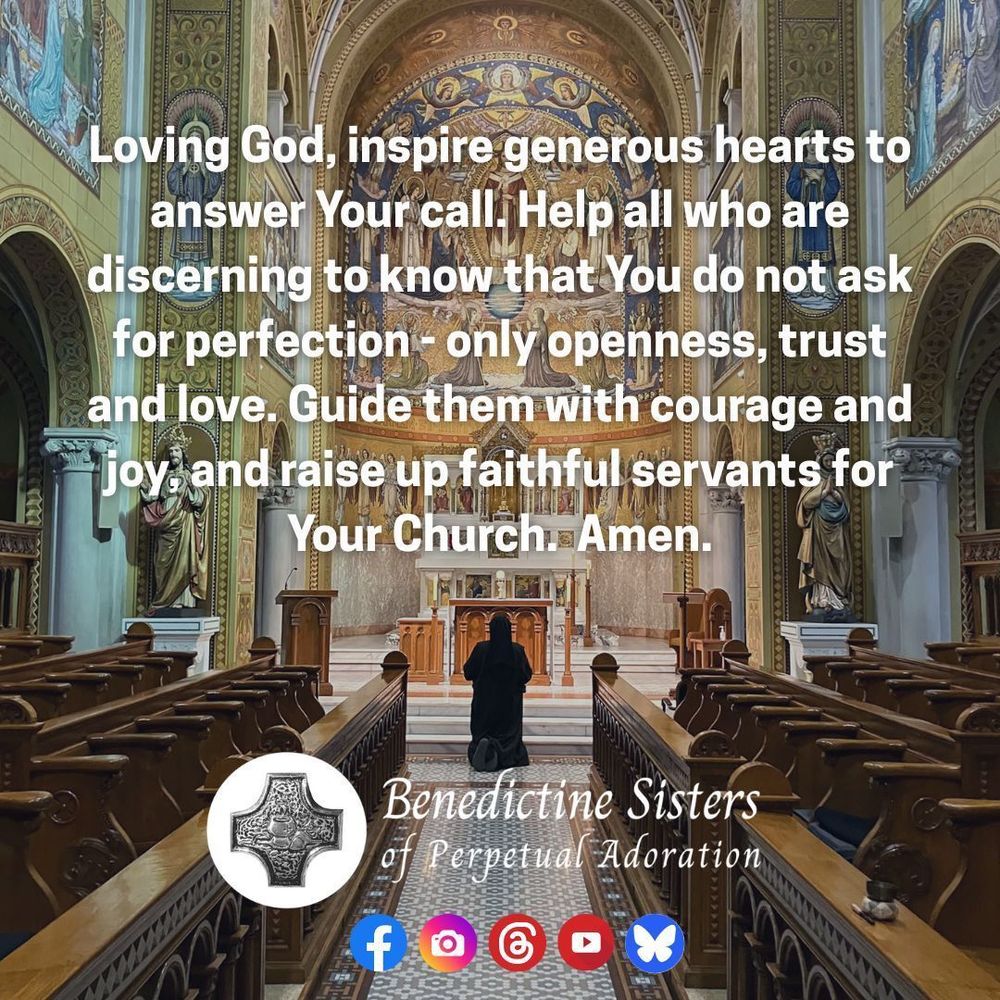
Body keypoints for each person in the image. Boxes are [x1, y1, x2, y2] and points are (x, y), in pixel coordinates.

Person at [463, 614, 532, 771]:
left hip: (484, 703)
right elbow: (526, 675)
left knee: (483, 729)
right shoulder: (517, 651)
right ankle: (506, 755)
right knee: (508, 732)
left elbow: (468, 672)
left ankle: (485, 748)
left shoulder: (481, 649)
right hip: (510, 705)